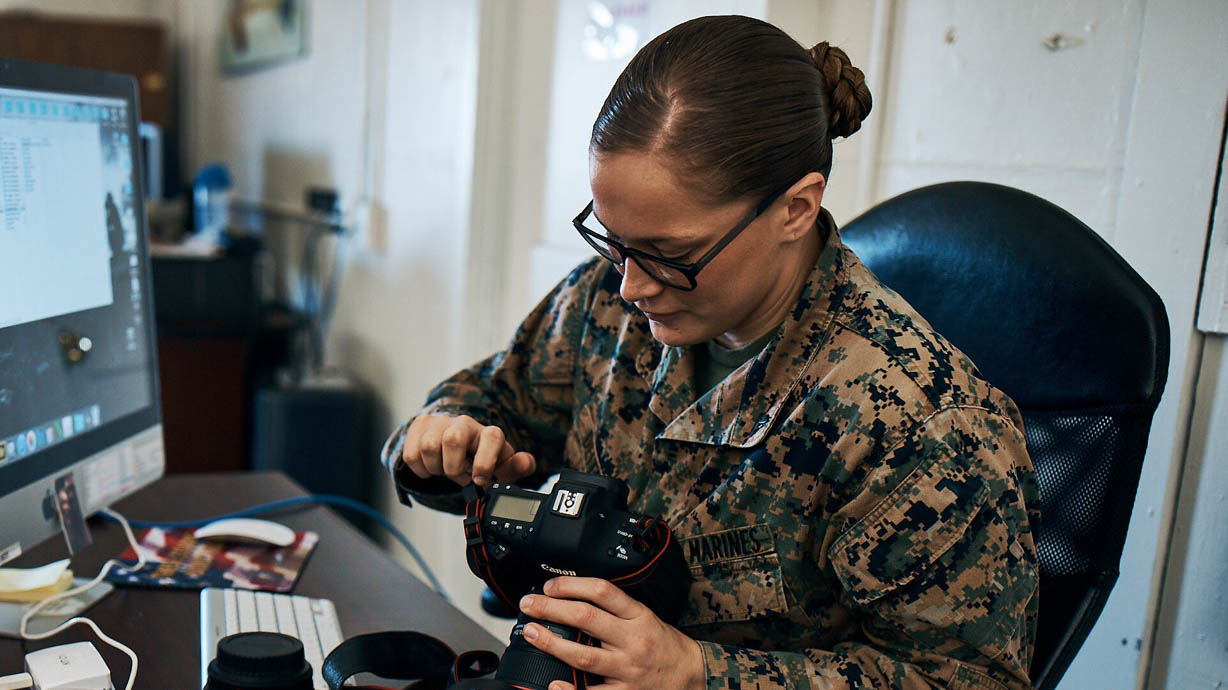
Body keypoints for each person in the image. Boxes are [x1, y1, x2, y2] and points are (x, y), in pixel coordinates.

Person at [382, 15, 1039, 690]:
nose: (631, 285)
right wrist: (448, 439)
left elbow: (968, 679)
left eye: (671, 255)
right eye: (612, 239)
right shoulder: (609, 299)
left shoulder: (916, 422)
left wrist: (699, 673)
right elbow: (497, 401)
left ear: (795, 209)